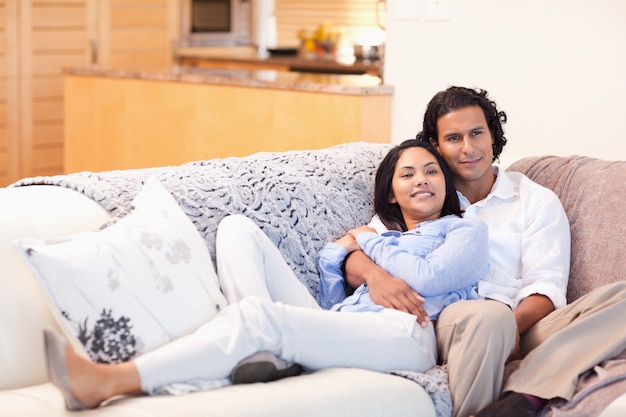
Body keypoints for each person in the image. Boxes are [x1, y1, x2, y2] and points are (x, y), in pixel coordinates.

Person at [44, 140, 491, 411]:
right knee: (237, 229)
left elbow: (428, 279)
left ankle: (110, 380)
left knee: (260, 320)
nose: (422, 180)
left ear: (445, 184)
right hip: (350, 320)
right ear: (391, 195)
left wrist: (367, 246)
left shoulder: (465, 229)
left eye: (431, 171)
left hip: (407, 334)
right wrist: (371, 270)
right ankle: (262, 349)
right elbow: (328, 271)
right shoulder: (384, 234)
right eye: (407, 174)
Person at [344, 86, 626, 417]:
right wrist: (375, 276)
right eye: (453, 138)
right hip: (448, 318)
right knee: (486, 319)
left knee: (620, 300)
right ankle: (532, 389)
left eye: (477, 133)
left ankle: (523, 397)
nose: (468, 148)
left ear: (492, 135)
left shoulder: (534, 200)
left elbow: (546, 287)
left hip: (521, 324)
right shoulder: (424, 192)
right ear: (435, 145)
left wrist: (512, 326)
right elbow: (355, 245)